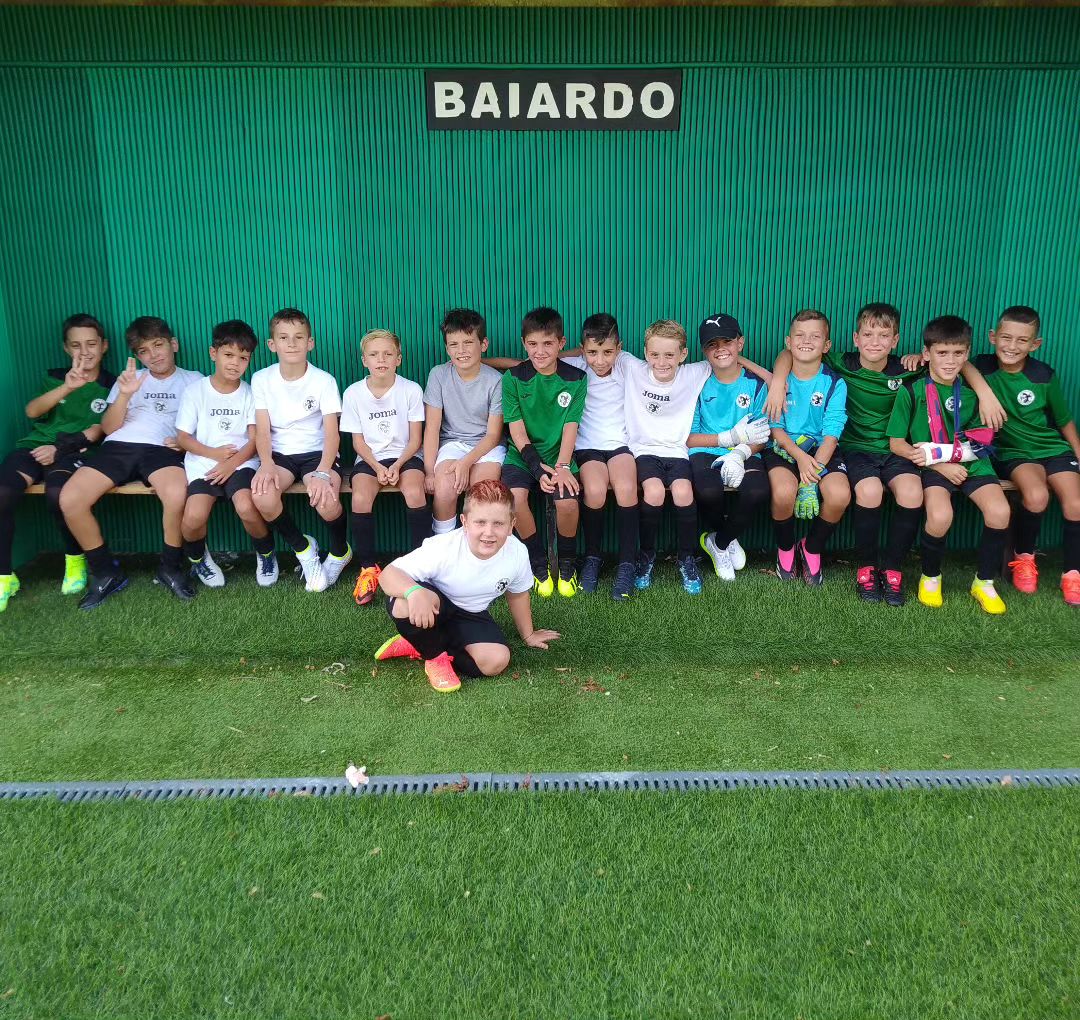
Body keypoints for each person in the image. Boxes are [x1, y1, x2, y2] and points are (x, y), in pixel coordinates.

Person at [59, 315, 202, 609]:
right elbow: (109, 428)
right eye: (143, 351)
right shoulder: (130, 381)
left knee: (177, 494)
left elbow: (207, 423)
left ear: (173, 344)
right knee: (70, 499)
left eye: (158, 345)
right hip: (119, 446)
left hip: (163, 449)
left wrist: (185, 441)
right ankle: (105, 573)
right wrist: (125, 395)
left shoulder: (194, 380)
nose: (154, 355)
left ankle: (170, 567)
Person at [373, 479, 560, 693]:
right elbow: (388, 574)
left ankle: (419, 642)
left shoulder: (517, 553)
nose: (488, 532)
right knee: (403, 603)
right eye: (480, 522)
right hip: (435, 604)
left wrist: (528, 634)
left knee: (496, 661)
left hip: (471, 613)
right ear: (464, 522)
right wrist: (413, 592)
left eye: (498, 524)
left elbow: (517, 594)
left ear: (511, 525)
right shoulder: (443, 547)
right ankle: (434, 657)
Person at [888, 315, 1011, 614]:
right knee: (941, 515)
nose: (950, 360)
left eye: (958, 353)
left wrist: (942, 455)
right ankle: (931, 576)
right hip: (934, 469)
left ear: (967, 354)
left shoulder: (974, 393)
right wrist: (938, 463)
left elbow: (982, 444)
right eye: (942, 353)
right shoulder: (911, 390)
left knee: (1000, 511)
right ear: (926, 353)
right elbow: (897, 444)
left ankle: (984, 582)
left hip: (973, 464)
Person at [0, 314, 115, 611]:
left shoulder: (111, 384)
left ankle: (74, 560)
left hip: (77, 452)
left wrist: (59, 448)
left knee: (58, 493)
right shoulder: (55, 377)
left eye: (91, 344)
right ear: (66, 348)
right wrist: (67, 387)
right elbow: (32, 411)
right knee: (3, 493)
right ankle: (4, 576)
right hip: (35, 447)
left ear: (104, 346)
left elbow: (100, 429)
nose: (84, 351)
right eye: (76, 345)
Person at [972, 305, 1080, 605]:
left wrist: (1078, 451)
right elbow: (962, 365)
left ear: (1035, 344)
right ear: (993, 337)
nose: (1012, 346)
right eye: (1006, 337)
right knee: (1036, 495)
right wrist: (985, 394)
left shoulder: (1043, 375)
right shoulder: (983, 367)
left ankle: (1073, 573)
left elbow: (1063, 419)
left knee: (1076, 503)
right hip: (1015, 451)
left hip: (1052, 448)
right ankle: (1024, 558)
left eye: (1022, 340)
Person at [250, 308, 348, 593]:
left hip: (317, 453)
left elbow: (332, 433)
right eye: (283, 337)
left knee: (325, 499)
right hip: (279, 456)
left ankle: (340, 551)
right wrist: (266, 464)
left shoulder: (324, 380)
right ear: (272, 344)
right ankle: (303, 550)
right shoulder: (261, 379)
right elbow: (262, 430)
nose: (291, 343)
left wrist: (323, 472)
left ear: (310, 342)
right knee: (262, 495)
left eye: (298, 337)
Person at [175, 320, 278, 589]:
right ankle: (198, 558)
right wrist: (214, 454)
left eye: (243, 358)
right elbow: (183, 437)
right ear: (214, 353)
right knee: (193, 517)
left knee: (246, 506)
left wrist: (231, 464)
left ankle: (266, 554)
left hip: (242, 461)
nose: (235, 363)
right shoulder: (195, 391)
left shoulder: (250, 393)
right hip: (204, 464)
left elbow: (255, 439)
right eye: (228, 355)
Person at [622, 320, 715, 594]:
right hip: (644, 450)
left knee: (683, 492)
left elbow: (727, 358)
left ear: (683, 354)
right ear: (645, 353)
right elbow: (588, 351)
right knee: (653, 492)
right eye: (654, 354)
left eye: (669, 355)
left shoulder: (693, 373)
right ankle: (646, 555)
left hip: (677, 450)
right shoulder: (632, 367)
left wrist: (773, 379)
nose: (661, 362)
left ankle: (686, 558)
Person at [500, 307, 587, 597]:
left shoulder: (576, 378)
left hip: (560, 457)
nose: (540, 351)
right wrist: (537, 470)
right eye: (533, 344)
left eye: (548, 343)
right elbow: (517, 431)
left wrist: (562, 467)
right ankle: (537, 563)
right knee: (515, 499)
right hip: (522, 457)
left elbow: (571, 427)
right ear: (523, 343)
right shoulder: (513, 378)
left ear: (561, 343)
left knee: (568, 503)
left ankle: (567, 565)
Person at [764, 309, 851, 586]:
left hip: (822, 450)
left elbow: (831, 435)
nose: (806, 341)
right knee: (783, 492)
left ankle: (811, 547)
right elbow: (776, 428)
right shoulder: (779, 382)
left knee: (839, 495)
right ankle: (785, 547)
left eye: (815, 336)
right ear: (788, 342)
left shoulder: (835, 383)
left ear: (826, 345)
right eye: (800, 335)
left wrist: (810, 479)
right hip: (785, 448)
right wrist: (801, 459)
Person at [340, 328, 427, 605]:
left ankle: (420, 566)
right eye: (374, 354)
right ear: (364, 360)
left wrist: (398, 465)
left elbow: (416, 439)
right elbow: (358, 442)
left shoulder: (411, 389)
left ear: (398, 359)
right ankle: (368, 569)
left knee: (415, 492)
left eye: (388, 354)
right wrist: (377, 467)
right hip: (370, 459)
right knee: (360, 497)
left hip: (406, 456)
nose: (381, 359)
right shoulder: (353, 393)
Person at [686, 314, 771, 581]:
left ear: (740, 343)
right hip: (706, 449)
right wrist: (727, 439)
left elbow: (762, 434)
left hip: (746, 450)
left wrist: (740, 453)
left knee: (757, 490)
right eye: (712, 344)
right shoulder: (697, 383)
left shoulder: (755, 384)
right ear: (704, 351)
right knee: (708, 491)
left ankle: (719, 542)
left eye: (727, 341)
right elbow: (688, 438)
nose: (720, 348)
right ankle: (728, 539)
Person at [561, 314, 639, 600]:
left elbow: (664, 367)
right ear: (583, 349)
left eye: (608, 352)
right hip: (588, 446)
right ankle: (593, 557)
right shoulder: (576, 365)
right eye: (592, 352)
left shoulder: (627, 364)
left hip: (620, 444)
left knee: (626, 488)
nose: (600, 360)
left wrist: (768, 375)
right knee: (594, 490)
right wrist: (484, 361)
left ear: (619, 348)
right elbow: (536, 361)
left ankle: (627, 564)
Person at [423, 308, 505, 537]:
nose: (461, 351)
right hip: (453, 443)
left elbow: (493, 435)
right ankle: (444, 545)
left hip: (487, 446)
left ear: (483, 344)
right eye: (454, 344)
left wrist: (466, 462)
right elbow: (432, 429)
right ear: (447, 348)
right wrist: (430, 472)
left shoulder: (496, 381)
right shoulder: (438, 375)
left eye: (468, 342)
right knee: (445, 487)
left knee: (481, 494)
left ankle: (477, 549)